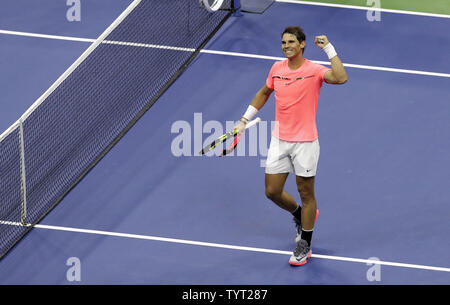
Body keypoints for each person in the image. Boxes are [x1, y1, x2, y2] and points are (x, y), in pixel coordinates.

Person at [234, 26, 348, 266]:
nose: (286, 46)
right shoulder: (277, 69)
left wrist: (329, 49)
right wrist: (244, 119)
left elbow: (340, 77)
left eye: (291, 42)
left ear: (302, 44)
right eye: (283, 42)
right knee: (272, 191)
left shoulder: (314, 71)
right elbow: (264, 92)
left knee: (306, 192)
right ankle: (299, 215)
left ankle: (305, 243)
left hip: (305, 143)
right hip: (280, 140)